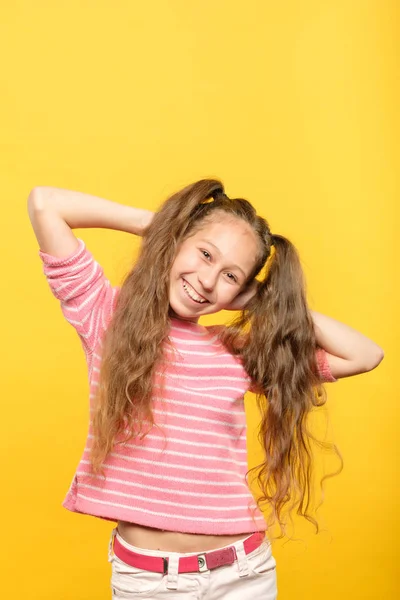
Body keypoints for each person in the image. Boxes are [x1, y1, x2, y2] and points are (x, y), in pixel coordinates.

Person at [28, 179, 384, 599]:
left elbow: (363, 354)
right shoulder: (105, 316)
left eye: (231, 275)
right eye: (204, 253)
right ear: (178, 242)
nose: (208, 279)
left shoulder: (235, 351)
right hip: (151, 582)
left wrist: (267, 301)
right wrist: (164, 230)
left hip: (245, 573)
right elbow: (45, 203)